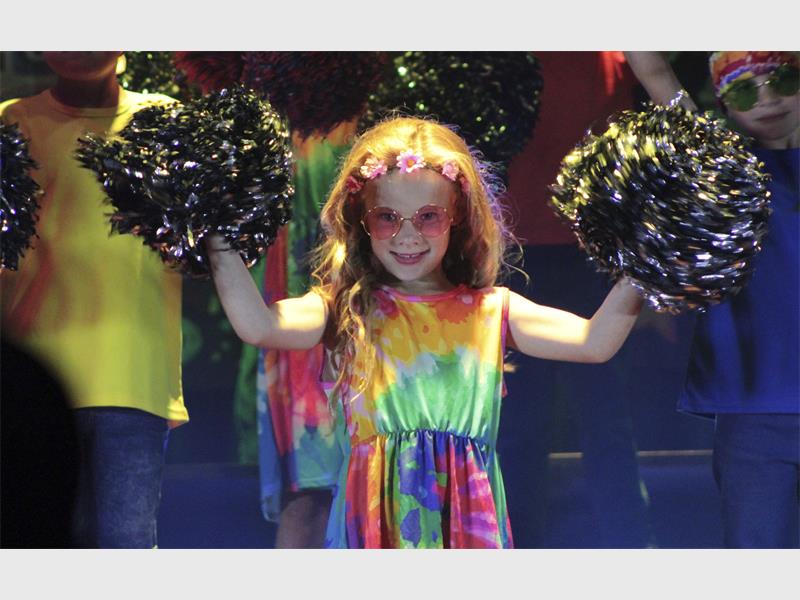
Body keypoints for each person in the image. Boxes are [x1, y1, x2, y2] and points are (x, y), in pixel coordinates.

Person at [206, 116, 643, 548]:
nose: (408, 235)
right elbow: (259, 325)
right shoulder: (346, 309)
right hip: (374, 532)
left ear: (458, 217)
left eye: (429, 217)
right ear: (361, 220)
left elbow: (595, 342)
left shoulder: (491, 310)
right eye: (387, 218)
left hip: (466, 532)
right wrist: (212, 228)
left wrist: (652, 246)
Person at [0, 51, 187, 548]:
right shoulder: (11, 123)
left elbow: (202, 245)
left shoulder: (165, 121)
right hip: (32, 385)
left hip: (132, 378)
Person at [625, 50, 800, 548]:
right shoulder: (718, 168)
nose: (768, 99)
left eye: (783, 80)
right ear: (723, 104)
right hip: (753, 411)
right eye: (744, 90)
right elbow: (652, 68)